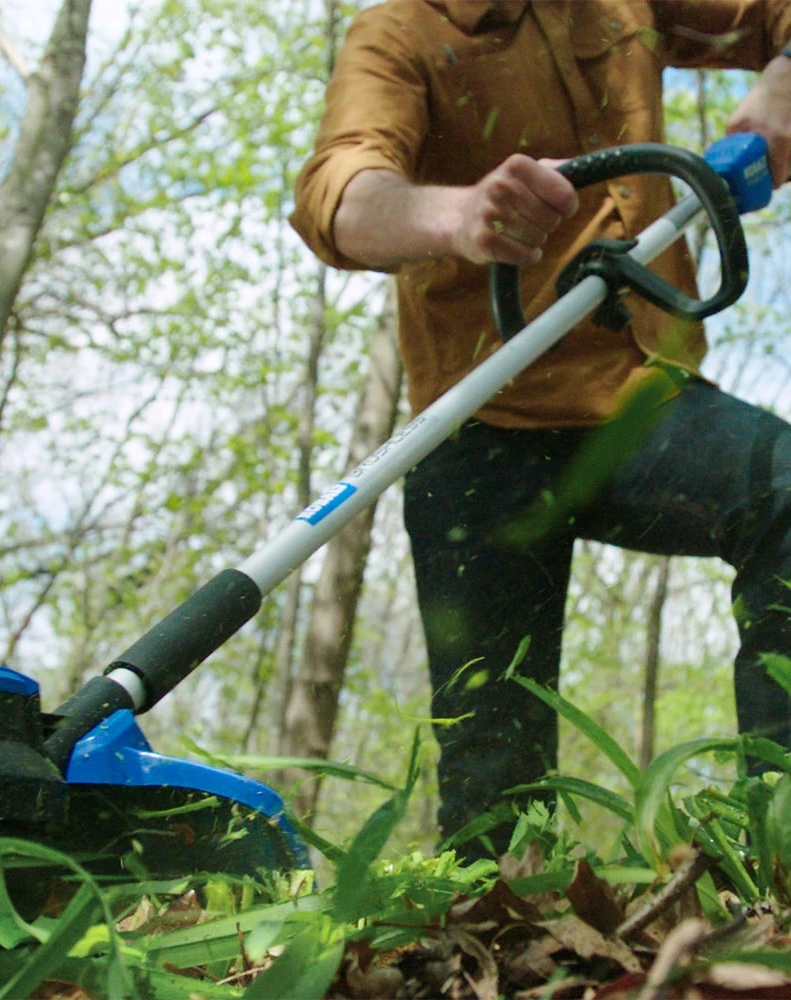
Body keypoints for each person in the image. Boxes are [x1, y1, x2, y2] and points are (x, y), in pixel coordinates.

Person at [290, 0, 791, 856]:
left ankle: (777, 852)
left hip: (640, 405)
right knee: (495, 799)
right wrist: (454, 217)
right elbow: (340, 197)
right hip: (480, 436)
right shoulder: (398, 34)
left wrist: (782, 88)